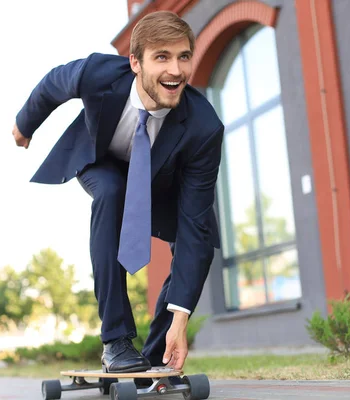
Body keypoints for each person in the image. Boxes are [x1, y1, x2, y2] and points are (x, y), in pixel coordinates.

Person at [12, 11, 224, 373]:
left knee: (198, 242)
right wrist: (24, 124)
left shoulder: (204, 127)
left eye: (183, 56)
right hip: (102, 160)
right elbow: (52, 84)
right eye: (162, 57)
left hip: (161, 181)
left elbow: (193, 227)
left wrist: (180, 319)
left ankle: (156, 352)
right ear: (135, 63)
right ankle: (116, 340)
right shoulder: (98, 74)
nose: (176, 70)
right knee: (112, 192)